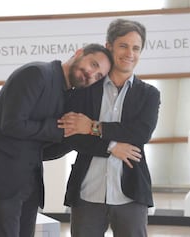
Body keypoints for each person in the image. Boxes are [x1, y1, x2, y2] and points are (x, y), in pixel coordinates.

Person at [0, 43, 113, 237]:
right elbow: (12, 124)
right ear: (79, 53)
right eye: (93, 64)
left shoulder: (67, 94)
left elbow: (44, 149)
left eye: (98, 76)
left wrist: (77, 135)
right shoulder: (36, 73)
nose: (91, 75)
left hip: (28, 184)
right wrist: (60, 130)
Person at [45, 19, 161, 237]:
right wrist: (111, 147)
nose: (130, 53)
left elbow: (140, 134)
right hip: (87, 192)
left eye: (136, 48)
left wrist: (92, 126)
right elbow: (72, 135)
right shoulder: (85, 88)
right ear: (109, 47)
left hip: (131, 193)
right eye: (123, 46)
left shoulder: (149, 94)